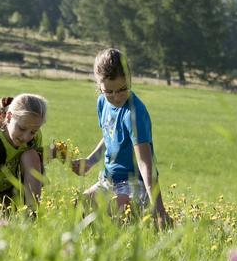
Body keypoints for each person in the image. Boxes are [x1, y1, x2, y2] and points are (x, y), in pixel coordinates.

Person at [71, 48, 172, 229]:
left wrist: (160, 210)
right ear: (99, 85)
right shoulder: (102, 103)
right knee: (78, 208)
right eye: (108, 91)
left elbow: (146, 164)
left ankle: (146, 214)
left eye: (122, 89)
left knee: (113, 214)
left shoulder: (134, 114)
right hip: (108, 181)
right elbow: (109, 137)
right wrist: (90, 161)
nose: (116, 97)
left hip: (133, 184)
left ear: (130, 79)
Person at [0, 94, 48, 219]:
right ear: (8, 117)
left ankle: (32, 215)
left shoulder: (34, 137)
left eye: (33, 132)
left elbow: (35, 165)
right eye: (21, 128)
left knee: (31, 155)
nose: (26, 137)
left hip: (17, 193)